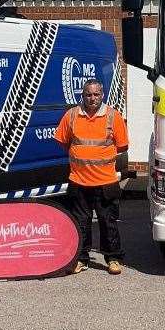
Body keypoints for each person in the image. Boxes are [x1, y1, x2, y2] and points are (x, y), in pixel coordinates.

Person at [54, 78, 130, 275]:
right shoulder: (71, 116)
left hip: (106, 181)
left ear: (102, 95)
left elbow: (122, 146)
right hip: (79, 181)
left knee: (108, 221)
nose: (92, 98)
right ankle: (81, 258)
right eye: (88, 94)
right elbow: (62, 141)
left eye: (96, 94)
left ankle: (113, 258)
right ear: (83, 95)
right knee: (80, 222)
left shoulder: (114, 117)